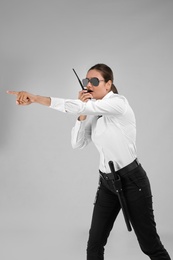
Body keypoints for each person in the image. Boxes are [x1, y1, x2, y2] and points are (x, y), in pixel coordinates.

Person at [7, 64, 171, 260]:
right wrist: (82, 113)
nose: (89, 85)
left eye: (95, 81)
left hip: (132, 181)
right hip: (107, 183)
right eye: (86, 81)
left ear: (108, 84)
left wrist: (35, 98)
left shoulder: (119, 103)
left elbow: (76, 106)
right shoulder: (92, 111)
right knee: (94, 244)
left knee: (149, 245)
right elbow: (77, 143)